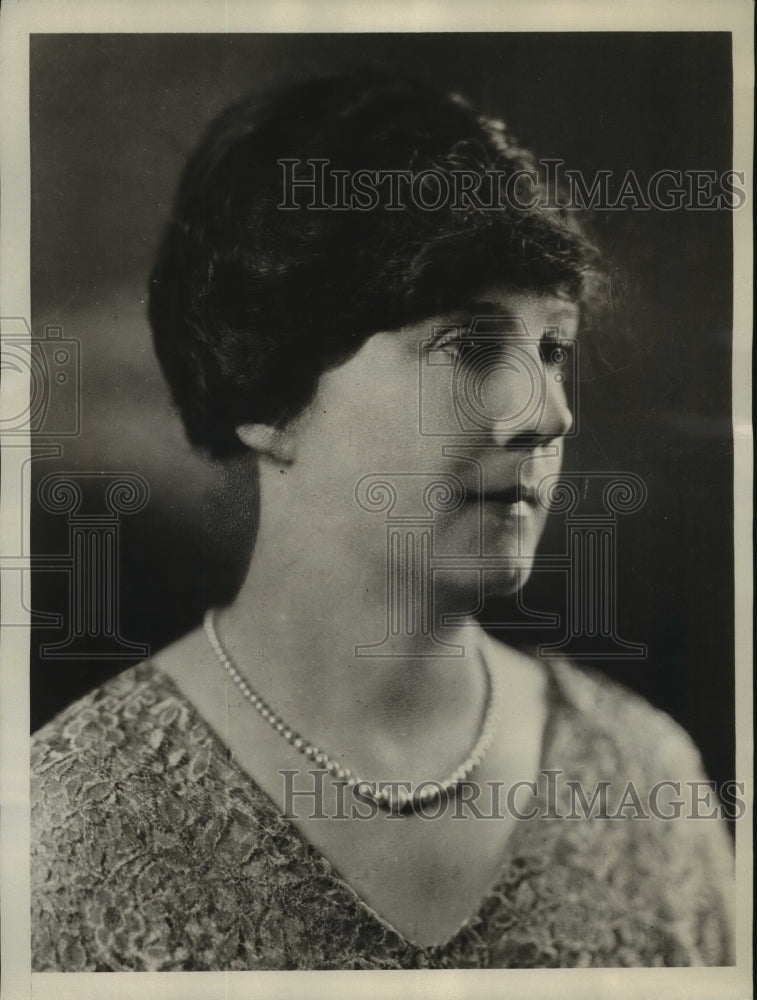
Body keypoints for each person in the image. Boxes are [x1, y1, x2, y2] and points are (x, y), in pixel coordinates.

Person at [31, 73, 734, 971]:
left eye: (553, 349)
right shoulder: (67, 831)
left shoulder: (645, 786)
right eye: (472, 345)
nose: (549, 412)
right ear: (269, 394)